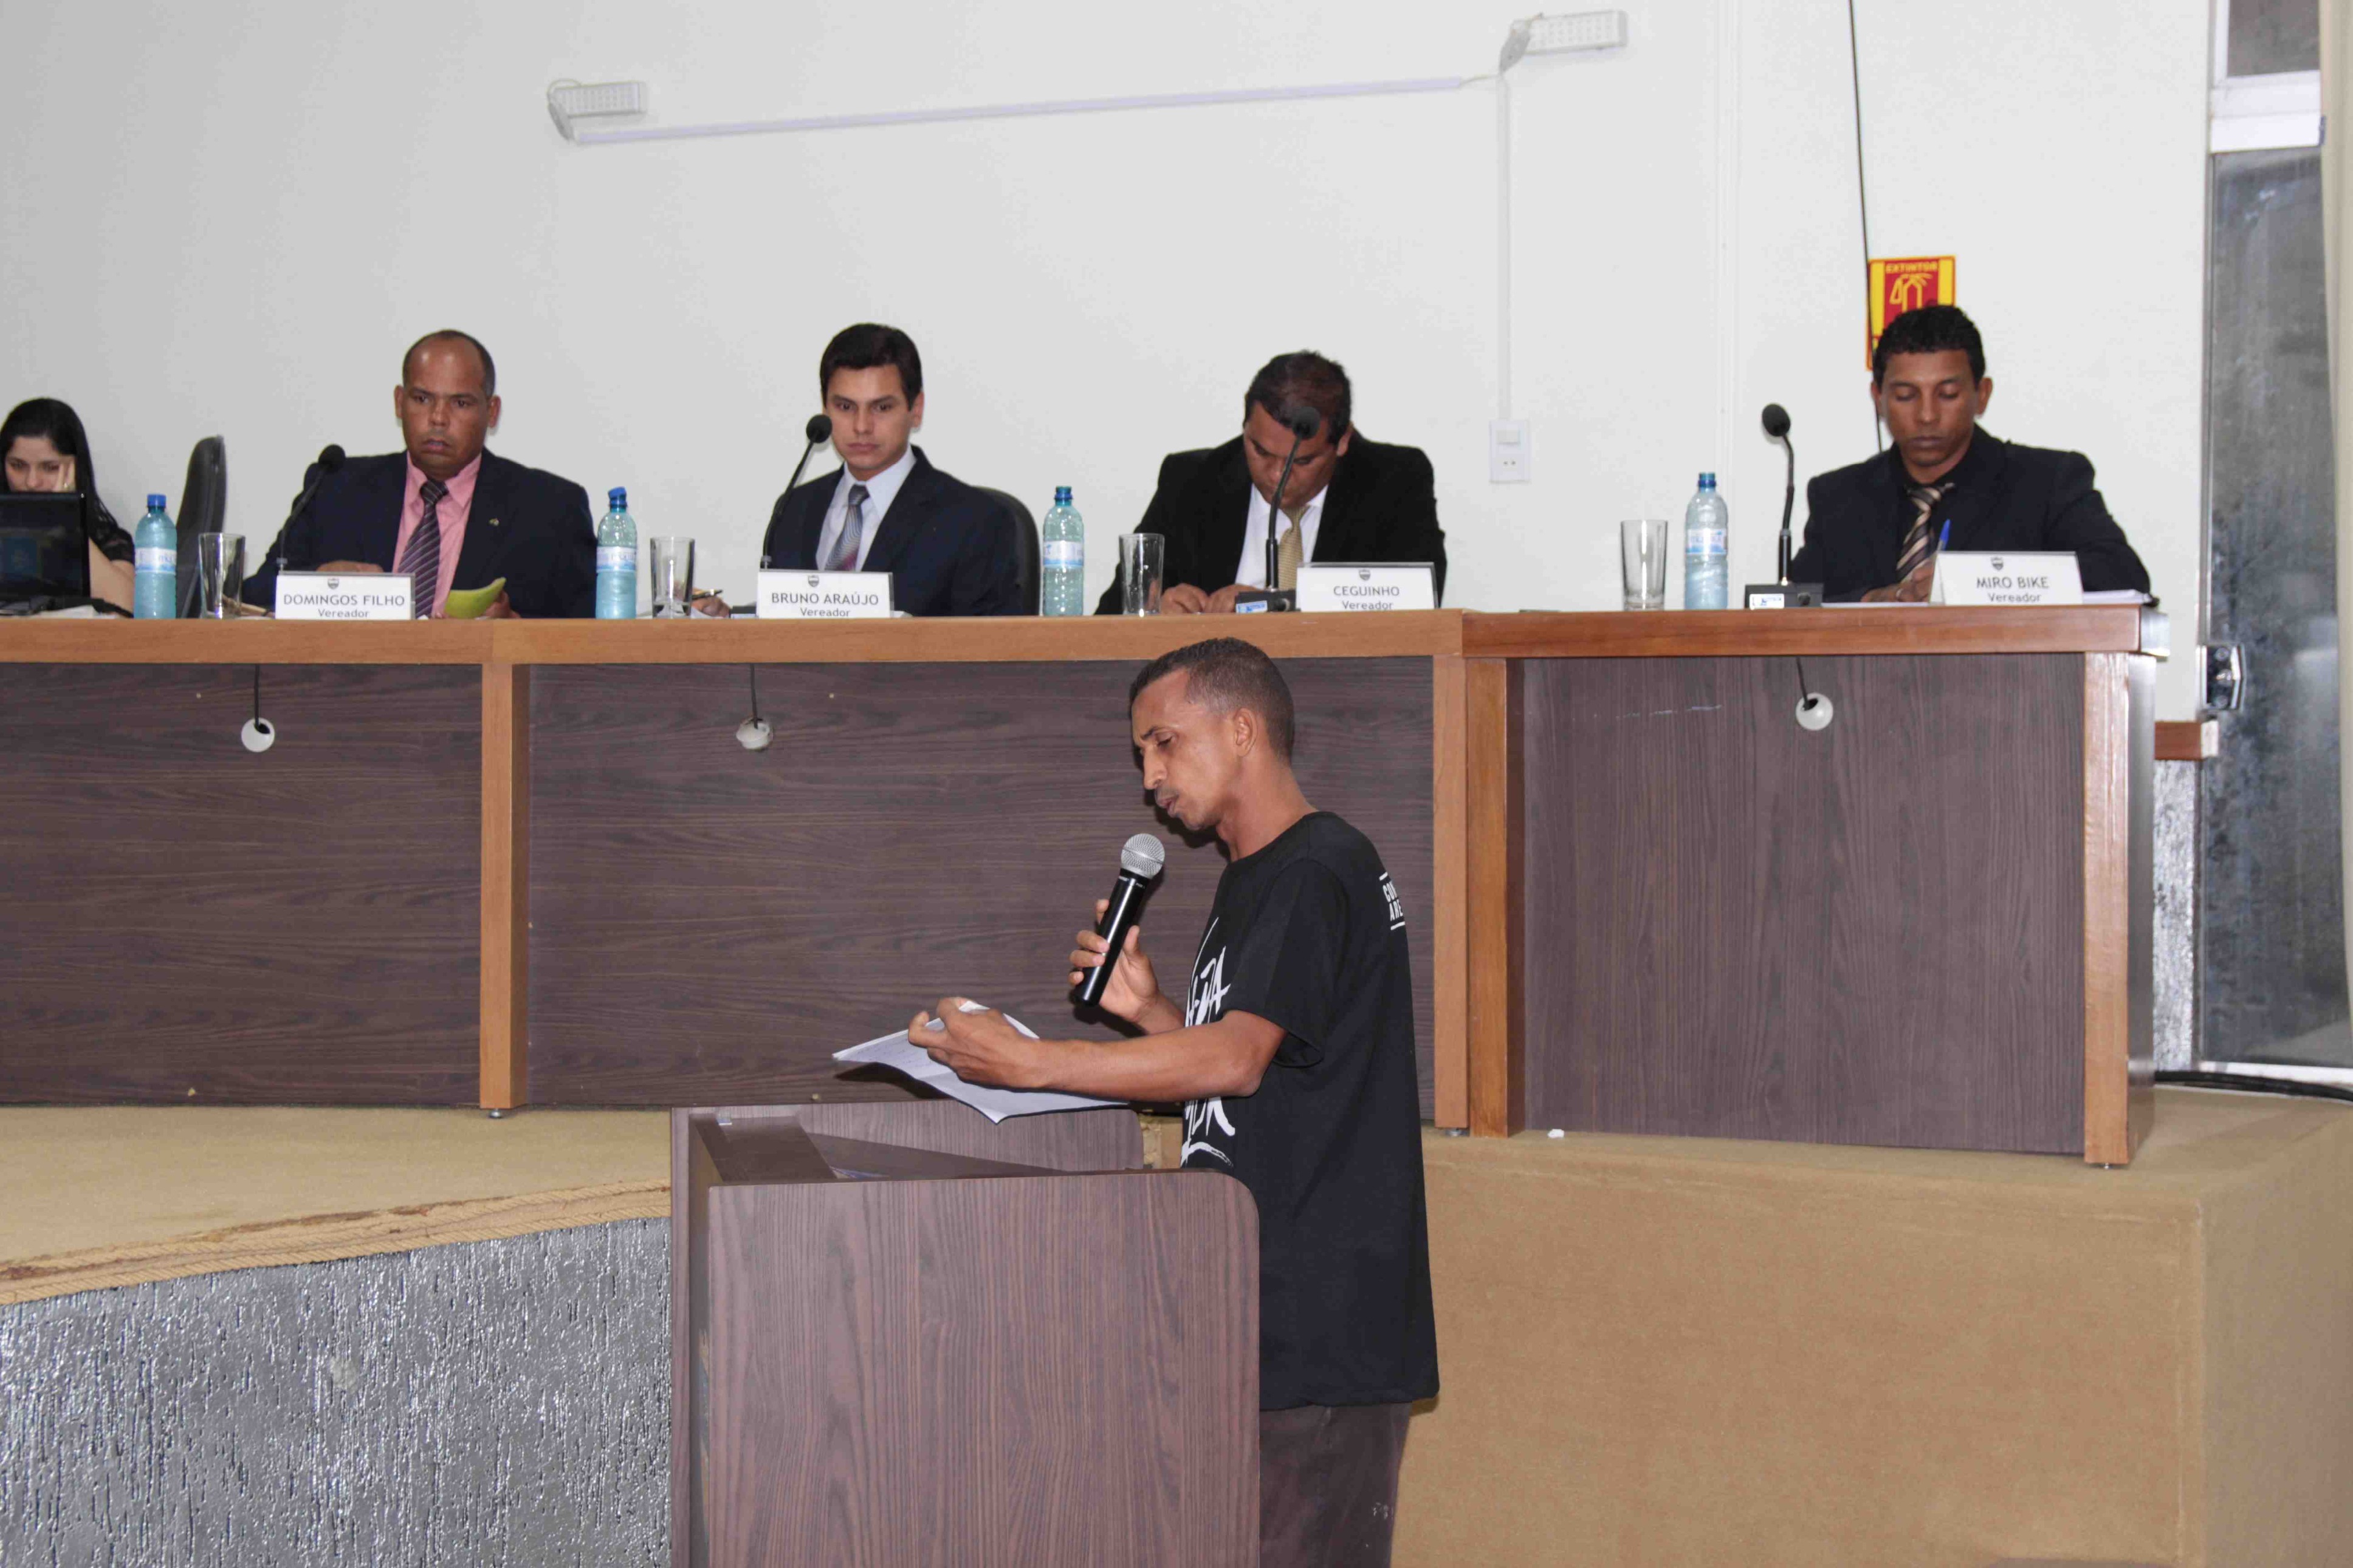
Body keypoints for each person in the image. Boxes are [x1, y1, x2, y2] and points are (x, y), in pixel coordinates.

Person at [911, 637, 1438, 1568]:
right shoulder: (1257, 878)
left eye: (1165, 742)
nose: (1150, 776)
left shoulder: (1318, 867)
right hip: (1251, 1314)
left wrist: (1033, 1066)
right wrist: (1153, 1012)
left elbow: (1237, 1060)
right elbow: (1267, 1072)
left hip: (1319, 1333)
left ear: (1242, 730)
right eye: (1141, 753)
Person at [1790, 304, 2152, 603]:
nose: (1927, 415)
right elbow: (1788, 603)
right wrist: (1874, 600)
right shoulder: (1839, 496)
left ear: (1983, 395)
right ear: (1878, 399)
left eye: (1947, 395)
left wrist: (1972, 580)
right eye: (1905, 396)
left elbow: (2121, 575)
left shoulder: (2047, 482)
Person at [244, 330, 594, 618]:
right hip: (349, 682)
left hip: (483, 683)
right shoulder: (336, 489)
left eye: (460, 403)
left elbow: (594, 632)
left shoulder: (550, 510)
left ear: (492, 412)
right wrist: (319, 582)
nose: (438, 418)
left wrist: (516, 631)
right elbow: (254, 595)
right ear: (399, 402)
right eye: (423, 399)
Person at [1095, 352, 1447, 614]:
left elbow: (1416, 603)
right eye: (1260, 452)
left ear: (1343, 442)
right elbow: (1112, 613)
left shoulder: (1393, 481)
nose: (1277, 475)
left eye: (1302, 462)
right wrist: (1154, 614)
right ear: (1245, 427)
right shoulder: (1191, 481)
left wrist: (1271, 605)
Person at [756, 323, 1023, 617]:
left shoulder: (975, 522)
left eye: (881, 408)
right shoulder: (793, 510)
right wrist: (726, 618)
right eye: (845, 407)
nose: (861, 426)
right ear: (825, 409)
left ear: (916, 409)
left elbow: (991, 640)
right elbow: (779, 617)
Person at [1, 398, 135, 609]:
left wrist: (67, 518)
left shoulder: (106, 539)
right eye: (18, 466)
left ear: (75, 469)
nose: (32, 482)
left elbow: (124, 607)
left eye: (50, 468)